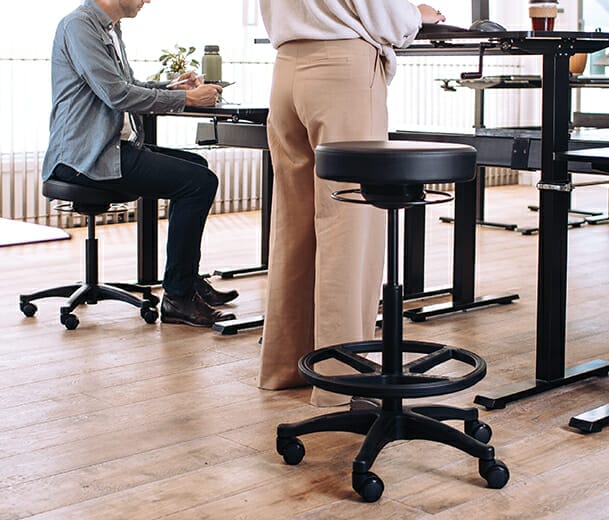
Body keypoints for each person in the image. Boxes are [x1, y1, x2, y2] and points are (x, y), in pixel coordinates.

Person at [257, 1, 446, 406]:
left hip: (286, 68)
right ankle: (340, 378)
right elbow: (388, 18)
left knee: (294, 224)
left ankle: (287, 365)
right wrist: (416, 14)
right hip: (340, 68)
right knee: (349, 225)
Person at [42, 0, 239, 327]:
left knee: (198, 168)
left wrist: (173, 87)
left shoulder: (108, 29)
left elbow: (128, 86)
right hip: (84, 158)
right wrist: (186, 99)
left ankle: (185, 282)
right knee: (199, 183)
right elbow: (117, 95)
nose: (149, 0)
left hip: (110, 148)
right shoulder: (79, 26)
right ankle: (177, 297)